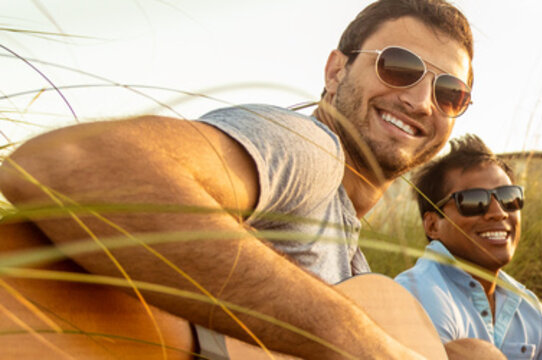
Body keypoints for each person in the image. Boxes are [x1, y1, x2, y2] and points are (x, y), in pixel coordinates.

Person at [0, 0, 485, 358]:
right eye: (399, 67)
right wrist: (355, 340)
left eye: (450, 93)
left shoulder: (352, 267)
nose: (422, 101)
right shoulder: (310, 148)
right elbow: (69, 164)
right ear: (336, 71)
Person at [396, 134, 542, 359]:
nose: (498, 213)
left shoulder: (531, 311)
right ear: (432, 225)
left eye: (509, 199)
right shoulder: (417, 294)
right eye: (474, 201)